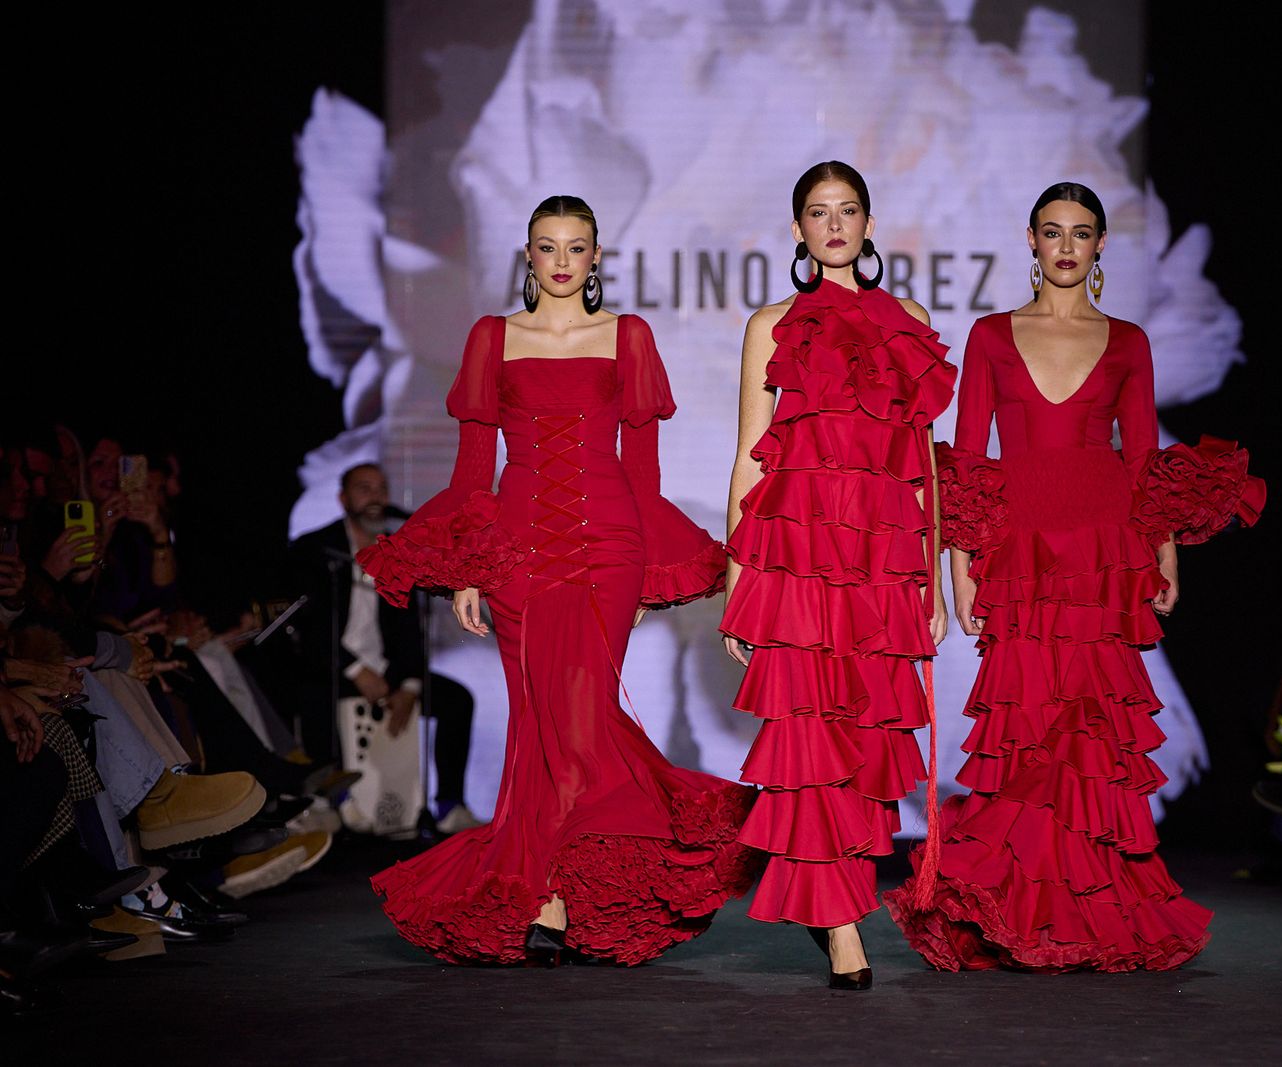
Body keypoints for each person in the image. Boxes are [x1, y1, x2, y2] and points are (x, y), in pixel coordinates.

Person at [358, 195, 756, 966]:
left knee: (581, 714)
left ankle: (559, 893)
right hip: (517, 550)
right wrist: (468, 568)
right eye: (549, 247)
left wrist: (646, 573)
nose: (563, 261)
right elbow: (474, 467)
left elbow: (643, 470)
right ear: (529, 255)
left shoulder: (628, 336)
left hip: (609, 546)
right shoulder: (492, 336)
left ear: (597, 256)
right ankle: (552, 890)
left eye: (577, 247)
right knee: (539, 720)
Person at [886, 181, 1262, 972]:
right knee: (1025, 736)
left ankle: (1088, 919)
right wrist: (958, 570)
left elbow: (1144, 460)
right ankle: (1017, 910)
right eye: (1052, 231)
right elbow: (970, 459)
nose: (1066, 246)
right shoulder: (991, 335)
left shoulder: (1128, 341)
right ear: (1031, 241)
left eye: (1080, 232)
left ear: (1098, 246)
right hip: (1020, 555)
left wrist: (1164, 553)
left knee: (1090, 741)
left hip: (1101, 555)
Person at [720, 161, 956, 990]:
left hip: (882, 564)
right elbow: (750, 457)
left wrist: (931, 578)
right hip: (798, 562)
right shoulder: (771, 324)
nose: (833, 225)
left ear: (868, 223)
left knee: (865, 740)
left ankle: (839, 897)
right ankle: (845, 926)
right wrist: (738, 579)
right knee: (810, 737)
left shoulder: (909, 320)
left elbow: (924, 463)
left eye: (847, 210)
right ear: (797, 229)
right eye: (817, 213)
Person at [288, 462, 483, 831]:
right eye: (364, 489)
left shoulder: (398, 550)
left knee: (456, 700)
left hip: (387, 671)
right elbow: (311, 629)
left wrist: (409, 684)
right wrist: (356, 670)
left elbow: (409, 630)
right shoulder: (316, 549)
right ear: (343, 499)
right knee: (314, 693)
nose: (375, 497)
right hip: (336, 666)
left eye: (380, 489)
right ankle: (331, 802)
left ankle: (449, 805)